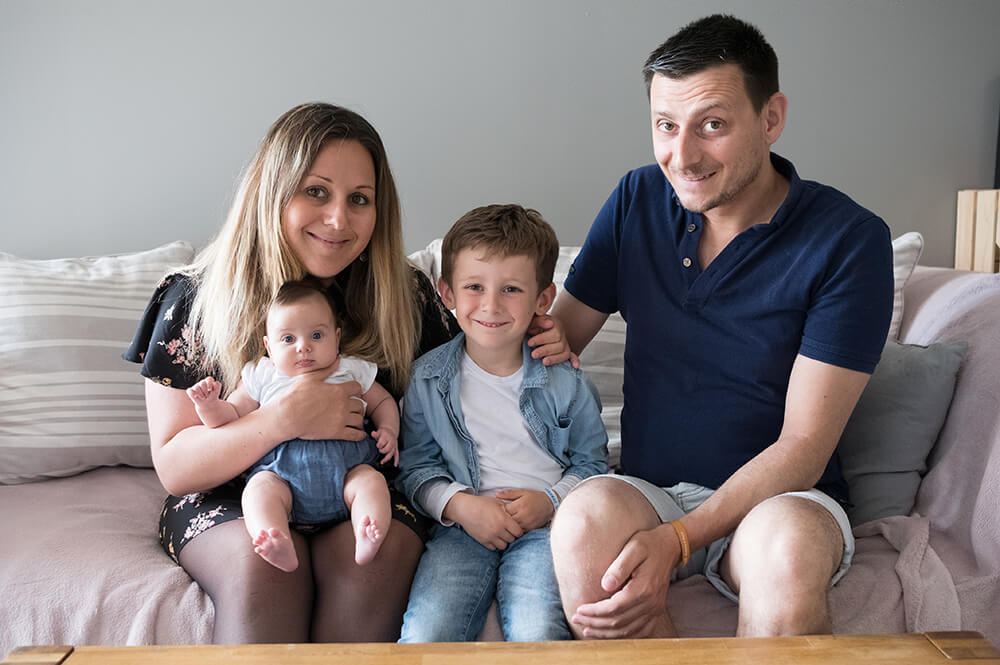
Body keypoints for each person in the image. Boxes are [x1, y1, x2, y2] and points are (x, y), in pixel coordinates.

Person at [547, 15, 894, 639]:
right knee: (581, 520)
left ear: (771, 117)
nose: (683, 157)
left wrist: (676, 541)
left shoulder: (848, 240)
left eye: (712, 125)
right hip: (647, 491)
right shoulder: (635, 199)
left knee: (784, 552)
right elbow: (554, 344)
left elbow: (803, 450)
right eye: (665, 126)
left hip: (779, 504)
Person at [123, 103, 468, 643]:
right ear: (273, 191)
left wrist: (544, 338)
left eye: (359, 199)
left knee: (373, 560)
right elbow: (177, 467)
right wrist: (284, 418)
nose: (338, 219)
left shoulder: (406, 295)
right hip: (231, 495)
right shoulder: (192, 299)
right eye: (316, 191)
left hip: (359, 485)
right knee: (262, 569)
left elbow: (479, 380)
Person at [395, 204, 609, 642]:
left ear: (543, 299)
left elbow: (592, 467)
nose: (491, 305)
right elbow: (415, 467)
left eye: (511, 289)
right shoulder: (427, 379)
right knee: (426, 633)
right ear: (447, 293)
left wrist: (550, 501)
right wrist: (461, 507)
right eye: (474, 286)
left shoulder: (565, 380)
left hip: (544, 529)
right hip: (463, 528)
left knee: (538, 629)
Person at [186, 280, 400, 572]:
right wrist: (210, 407)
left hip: (349, 472)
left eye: (316, 335)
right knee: (258, 491)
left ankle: (367, 530)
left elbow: (383, 402)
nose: (304, 347)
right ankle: (275, 537)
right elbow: (232, 417)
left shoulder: (352, 368)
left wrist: (389, 430)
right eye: (288, 339)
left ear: (336, 337)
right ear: (268, 347)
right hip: (282, 478)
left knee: (372, 483)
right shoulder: (262, 375)